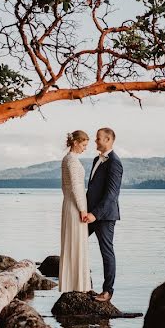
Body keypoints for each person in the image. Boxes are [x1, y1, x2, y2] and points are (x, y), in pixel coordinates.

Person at [84, 127, 122, 303]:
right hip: (89, 214)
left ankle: (108, 291)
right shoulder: (95, 160)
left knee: (106, 251)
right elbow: (92, 190)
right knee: (77, 244)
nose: (95, 141)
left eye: (98, 139)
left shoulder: (115, 162)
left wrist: (95, 214)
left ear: (108, 140)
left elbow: (111, 194)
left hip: (104, 216)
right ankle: (83, 282)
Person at [59, 130, 92, 292]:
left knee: (72, 243)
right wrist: (82, 209)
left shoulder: (67, 159)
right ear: (76, 143)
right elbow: (76, 187)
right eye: (84, 145)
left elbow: (65, 187)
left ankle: (72, 283)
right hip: (75, 206)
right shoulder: (71, 161)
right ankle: (77, 285)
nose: (85, 148)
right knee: (76, 243)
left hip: (69, 203)